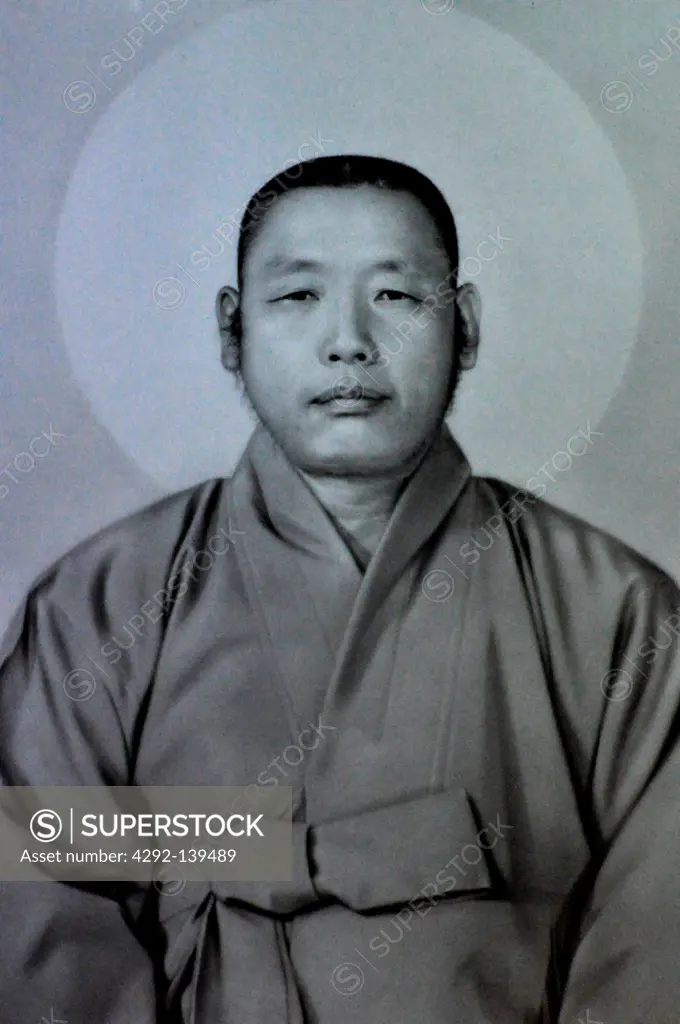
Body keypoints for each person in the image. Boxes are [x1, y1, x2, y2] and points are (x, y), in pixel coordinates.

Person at [0, 154, 678, 1023]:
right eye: (298, 297)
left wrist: (221, 850)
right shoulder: (103, 602)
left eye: (395, 297)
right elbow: (38, 878)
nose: (348, 340)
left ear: (464, 328)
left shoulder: (615, 612)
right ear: (230, 332)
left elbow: (658, 946)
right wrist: (298, 853)